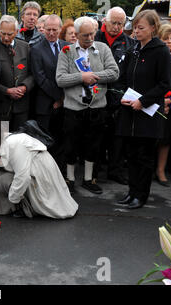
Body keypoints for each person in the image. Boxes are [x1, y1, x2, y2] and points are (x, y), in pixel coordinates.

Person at [56, 16, 119, 195]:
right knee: (70, 145)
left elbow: (114, 73)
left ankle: (89, 179)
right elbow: (60, 79)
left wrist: (93, 76)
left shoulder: (103, 48)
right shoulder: (66, 52)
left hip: (97, 106)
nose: (90, 38)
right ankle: (70, 179)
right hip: (73, 108)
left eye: (92, 34)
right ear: (75, 35)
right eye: (85, 35)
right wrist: (81, 77)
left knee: (94, 144)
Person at [115, 10, 171, 209]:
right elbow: (122, 78)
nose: (136, 31)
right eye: (135, 28)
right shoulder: (133, 50)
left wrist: (143, 101)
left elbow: (165, 83)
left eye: (141, 28)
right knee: (130, 155)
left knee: (144, 156)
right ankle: (131, 192)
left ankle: (141, 195)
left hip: (148, 112)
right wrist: (122, 95)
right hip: (129, 111)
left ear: (153, 28)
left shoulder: (161, 51)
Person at [0, 117, 78, 219]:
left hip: (40, 176)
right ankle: (19, 203)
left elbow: (23, 177)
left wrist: (13, 200)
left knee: (4, 180)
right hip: (27, 174)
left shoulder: (15, 144)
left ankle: (26, 207)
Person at [94, 7, 136, 186]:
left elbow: (130, 72)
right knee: (96, 136)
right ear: (105, 21)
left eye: (121, 23)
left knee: (118, 137)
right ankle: (93, 171)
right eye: (114, 23)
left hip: (119, 97)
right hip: (96, 94)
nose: (117, 27)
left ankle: (115, 170)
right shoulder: (94, 37)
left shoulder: (129, 43)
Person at [30, 15, 70, 172]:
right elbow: (40, 78)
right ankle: (44, 173)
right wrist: (57, 97)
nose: (51, 33)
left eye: (55, 29)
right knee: (44, 142)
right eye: (48, 29)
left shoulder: (68, 47)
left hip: (66, 102)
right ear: (43, 29)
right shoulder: (36, 49)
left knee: (62, 140)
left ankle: (60, 173)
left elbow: (71, 73)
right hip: (45, 104)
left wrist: (62, 98)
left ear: (60, 29)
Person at [0, 15, 34, 131]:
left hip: (22, 106)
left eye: (10, 34)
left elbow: (33, 73)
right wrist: (6, 90)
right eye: (3, 33)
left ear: (16, 32)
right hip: (0, 106)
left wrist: (24, 87)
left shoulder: (25, 47)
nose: (6, 38)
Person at [154, 23, 171, 187]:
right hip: (152, 103)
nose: (169, 41)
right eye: (166, 38)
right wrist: (157, 101)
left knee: (166, 140)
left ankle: (161, 170)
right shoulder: (153, 56)